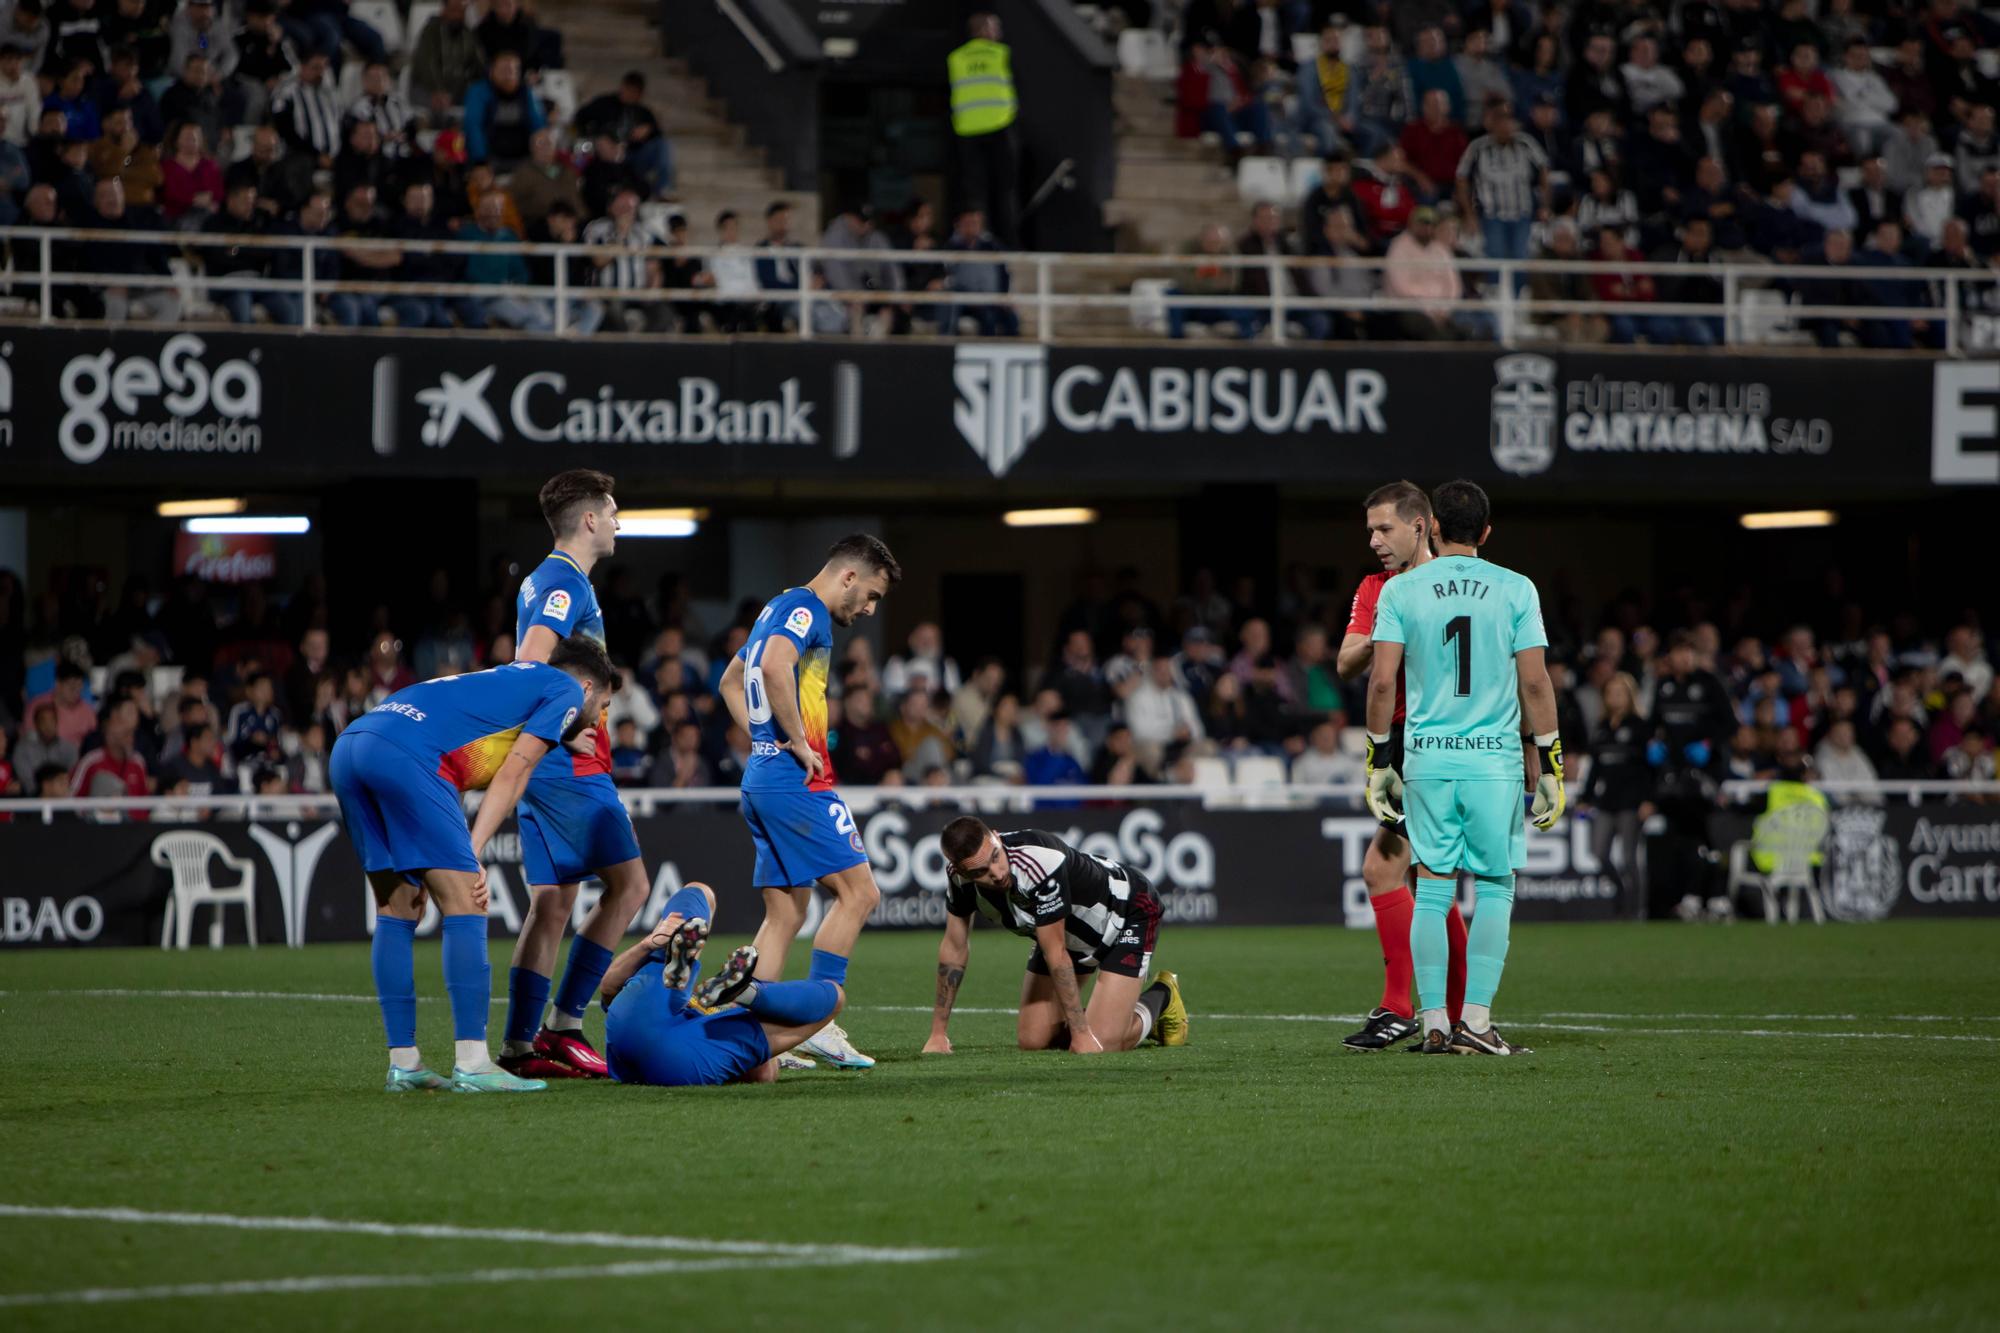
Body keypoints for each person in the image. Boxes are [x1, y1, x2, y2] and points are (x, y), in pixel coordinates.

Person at [331, 633, 616, 1094]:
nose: (600, 720)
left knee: (398, 907)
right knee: (468, 902)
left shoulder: (509, 683)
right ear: (586, 687)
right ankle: (473, 1062)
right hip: (409, 755)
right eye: (602, 705)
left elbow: (463, 757)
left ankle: (404, 1064)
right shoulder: (563, 690)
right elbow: (514, 772)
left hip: (355, 744)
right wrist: (473, 849)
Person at [1365, 479, 1560, 1057]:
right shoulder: (1516, 588)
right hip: (1493, 762)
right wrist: (1550, 762)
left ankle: (1433, 1024)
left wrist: (1378, 759)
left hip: (1426, 758)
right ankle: (1475, 1019)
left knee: (1431, 890)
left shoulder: (1401, 591)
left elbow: (1381, 681)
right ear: (1486, 532)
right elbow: (1534, 681)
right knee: (1496, 885)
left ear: (1433, 529)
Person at [706, 534, 902, 1071]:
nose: (868, 608)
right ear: (847, 576)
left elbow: (729, 680)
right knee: (860, 894)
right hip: (794, 780)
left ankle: (757, 1037)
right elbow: (772, 665)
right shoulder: (805, 609)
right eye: (871, 595)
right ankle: (818, 1021)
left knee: (788, 911)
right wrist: (792, 741)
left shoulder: (778, 604)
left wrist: (764, 741)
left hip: (764, 776)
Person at [493, 471, 656, 1081]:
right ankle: (563, 1024)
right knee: (631, 887)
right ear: (589, 520)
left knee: (553, 905)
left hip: (544, 762)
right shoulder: (563, 581)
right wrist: (563, 726)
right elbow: (529, 663)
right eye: (612, 512)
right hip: (568, 762)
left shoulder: (547, 578)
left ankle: (518, 1047)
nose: (617, 521)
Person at [1333, 480, 1465, 1049]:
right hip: (1411, 742)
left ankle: (1400, 1007)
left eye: (1385, 528)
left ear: (1420, 525)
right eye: (1369, 531)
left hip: (1445, 740)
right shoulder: (1377, 588)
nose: (1375, 541)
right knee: (1426, 879)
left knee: (1383, 871)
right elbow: (1347, 662)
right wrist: (1388, 617)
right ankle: (1458, 1015)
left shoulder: (1460, 583)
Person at [924, 816, 1186, 1055]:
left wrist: (1083, 1034)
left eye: (995, 856)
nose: (997, 872)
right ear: (960, 871)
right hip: (1067, 935)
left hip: (1127, 912)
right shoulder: (959, 881)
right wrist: (938, 1034)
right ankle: (1117, 1017)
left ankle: (1163, 994)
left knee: (1102, 1043)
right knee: (1033, 1040)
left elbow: (1056, 952)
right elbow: (954, 949)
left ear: (996, 835)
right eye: (980, 872)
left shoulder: (1038, 861)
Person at [601, 883, 846, 1087]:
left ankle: (673, 948)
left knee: (699, 892)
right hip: (679, 1058)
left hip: (627, 1033)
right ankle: (749, 993)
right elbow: (763, 1075)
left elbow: (608, 988)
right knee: (835, 997)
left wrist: (647, 944)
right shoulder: (713, 1029)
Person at [1577, 671, 1651, 917]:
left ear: (1630, 696)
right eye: (1610, 693)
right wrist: (1585, 798)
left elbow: (1650, 768)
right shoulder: (1601, 728)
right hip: (1607, 800)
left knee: (1630, 858)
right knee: (1599, 852)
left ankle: (1637, 908)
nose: (1614, 697)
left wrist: (1649, 799)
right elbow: (1595, 768)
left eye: (1619, 693)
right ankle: (1621, 893)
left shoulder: (1640, 727)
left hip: (1631, 801)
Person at [947, 12, 1018, 246]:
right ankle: (1006, 242)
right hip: (998, 125)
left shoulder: (956, 58)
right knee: (1004, 190)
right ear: (985, 30)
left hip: (967, 130)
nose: (999, 33)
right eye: (995, 28)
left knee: (975, 195)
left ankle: (979, 241)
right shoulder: (1001, 54)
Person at [573, 70, 672, 199]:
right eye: (628, 89)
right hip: (603, 154)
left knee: (663, 145)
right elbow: (579, 118)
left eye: (634, 92)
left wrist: (649, 130)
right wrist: (597, 137)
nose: (630, 94)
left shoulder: (643, 112)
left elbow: (658, 136)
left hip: (631, 157)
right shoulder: (604, 104)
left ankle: (663, 189)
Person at [462, 48, 543, 169]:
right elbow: (473, 126)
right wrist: (480, 160)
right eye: (504, 70)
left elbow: (539, 125)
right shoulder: (478, 92)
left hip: (524, 159)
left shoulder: (526, 93)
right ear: (492, 71)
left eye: (514, 70)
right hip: (491, 159)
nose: (509, 75)